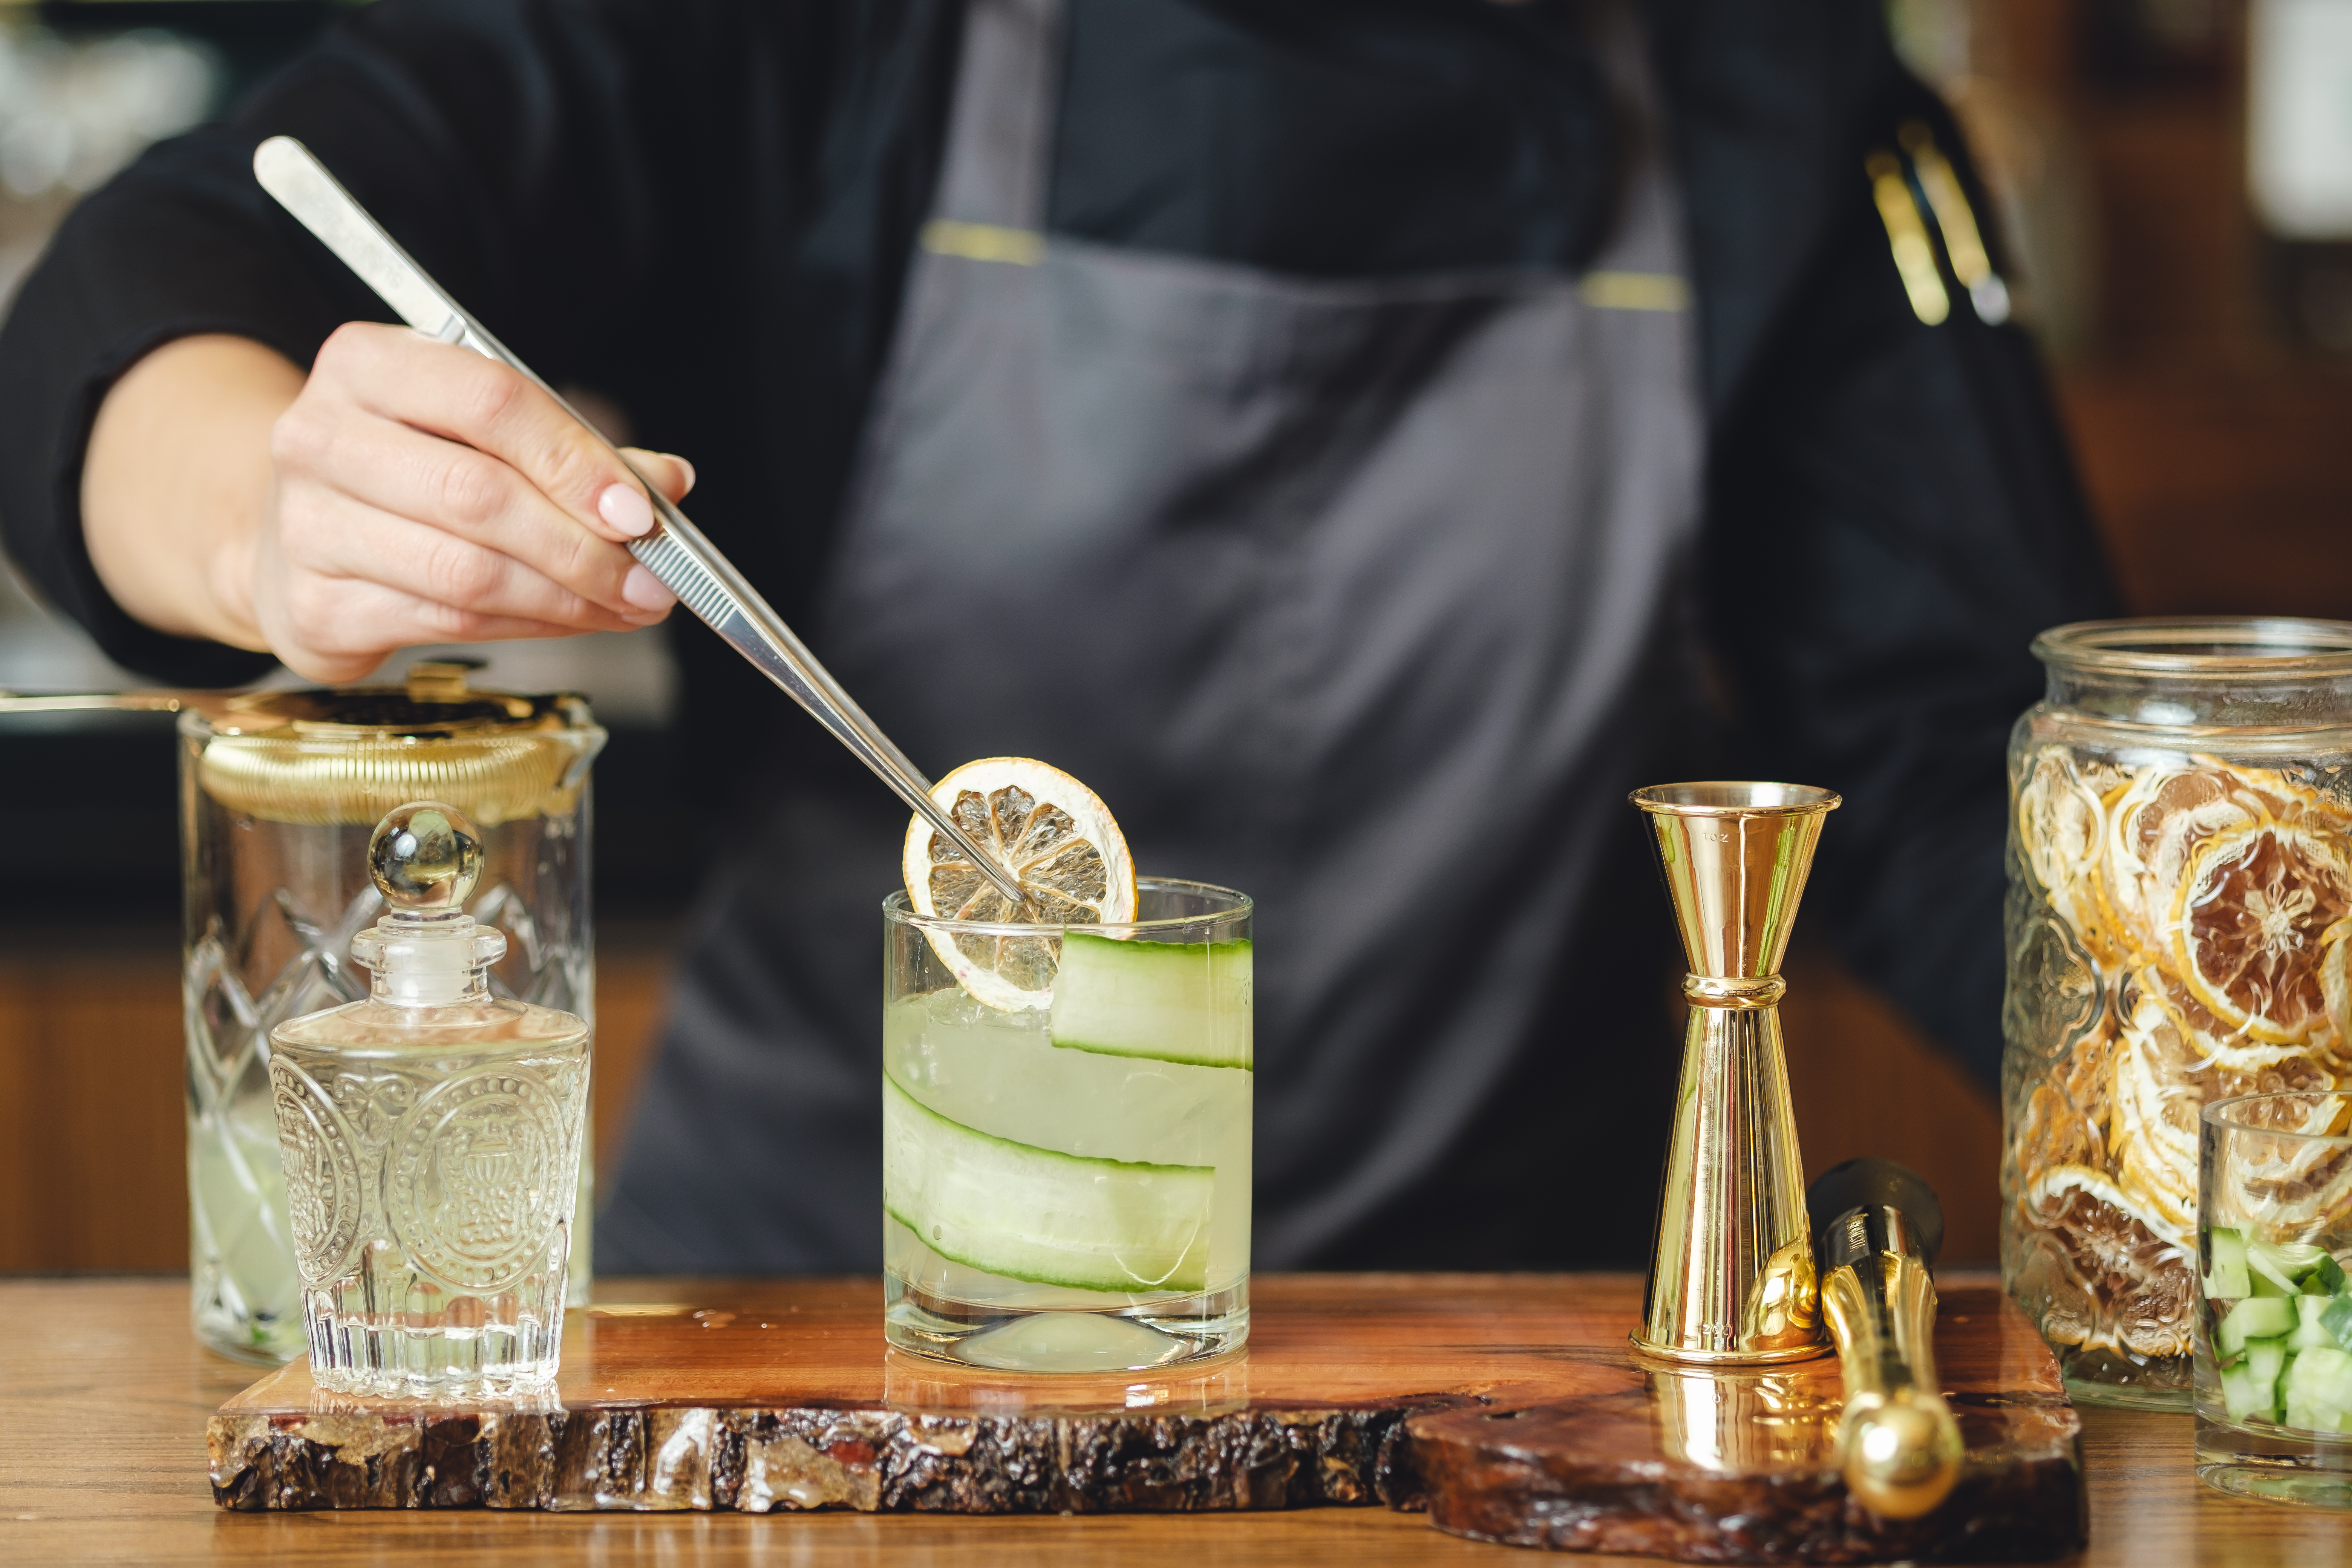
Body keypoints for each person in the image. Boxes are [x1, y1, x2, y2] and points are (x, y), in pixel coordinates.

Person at [0, 0, 2115, 1272]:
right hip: (811, 1339)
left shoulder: (1781, 94)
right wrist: (274, 522)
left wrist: (2210, 1111)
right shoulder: (803, 37)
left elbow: (1959, 778)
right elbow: (136, 292)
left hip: (1493, 1369)